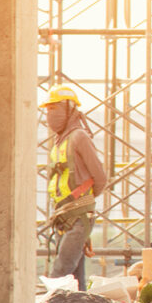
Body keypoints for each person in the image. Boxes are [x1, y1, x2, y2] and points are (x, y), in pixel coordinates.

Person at [41, 85, 108, 290]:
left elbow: (100, 177)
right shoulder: (60, 142)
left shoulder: (79, 137)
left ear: (70, 109)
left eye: (56, 109)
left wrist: (82, 202)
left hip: (78, 216)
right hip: (64, 217)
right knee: (76, 278)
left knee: (60, 274)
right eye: (48, 110)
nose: (51, 115)